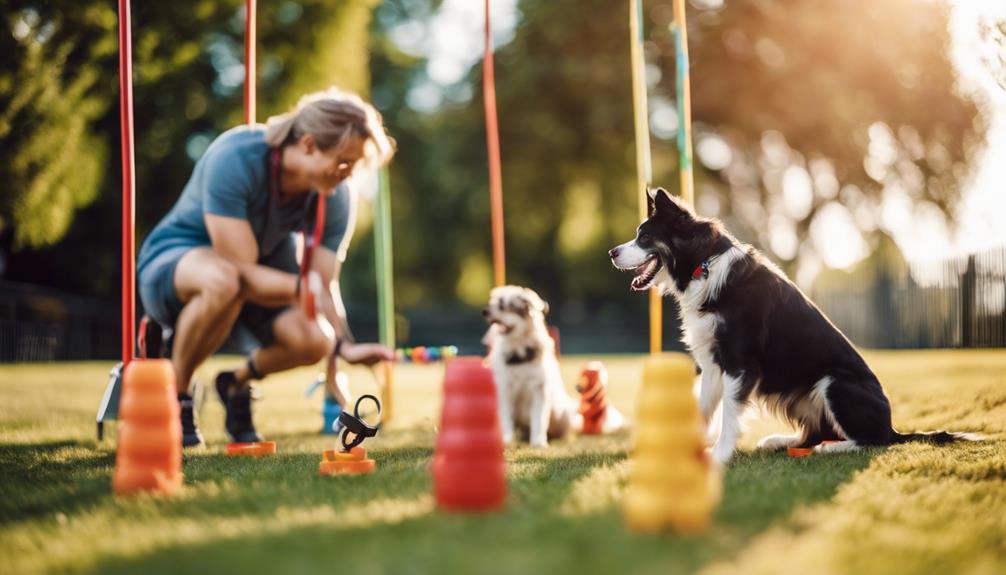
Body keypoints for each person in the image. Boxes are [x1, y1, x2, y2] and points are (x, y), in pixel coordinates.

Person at [137, 86, 396, 448]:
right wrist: (298, 288)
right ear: (307, 145)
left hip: (249, 281)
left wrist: (342, 348)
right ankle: (176, 394)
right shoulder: (236, 157)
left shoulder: (336, 195)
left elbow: (323, 283)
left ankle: (235, 383)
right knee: (224, 280)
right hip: (175, 266)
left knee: (315, 339)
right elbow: (241, 272)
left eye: (354, 166)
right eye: (343, 161)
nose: (348, 175)